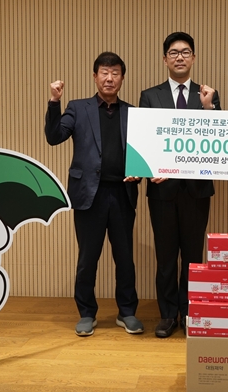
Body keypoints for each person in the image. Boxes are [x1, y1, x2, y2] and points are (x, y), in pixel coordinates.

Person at [45, 52, 143, 337]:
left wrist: (140, 172)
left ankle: (127, 312)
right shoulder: (78, 108)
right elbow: (54, 137)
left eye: (115, 73)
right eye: (104, 72)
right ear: (94, 76)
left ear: (122, 78)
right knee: (88, 258)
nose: (109, 78)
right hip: (89, 195)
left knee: (125, 257)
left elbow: (143, 153)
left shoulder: (132, 112)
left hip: (123, 193)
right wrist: (54, 101)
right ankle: (87, 313)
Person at [139, 32, 221, 338]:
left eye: (186, 52)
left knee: (193, 256)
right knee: (165, 257)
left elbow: (216, 139)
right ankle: (167, 315)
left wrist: (209, 107)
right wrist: (149, 169)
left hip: (197, 190)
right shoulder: (150, 95)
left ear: (194, 58)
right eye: (173, 53)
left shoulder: (208, 94)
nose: (180, 57)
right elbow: (144, 139)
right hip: (162, 189)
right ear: (165, 59)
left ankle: (190, 313)